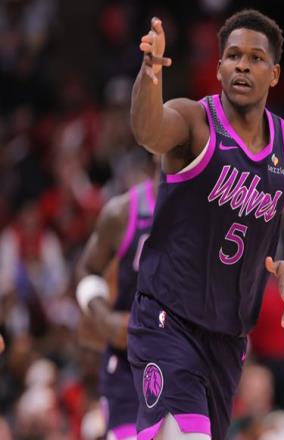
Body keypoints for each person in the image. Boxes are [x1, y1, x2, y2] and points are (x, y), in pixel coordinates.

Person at [129, 9, 284, 440]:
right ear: (219, 66)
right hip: (166, 318)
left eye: (256, 58)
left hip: (227, 339)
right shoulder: (193, 122)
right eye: (234, 56)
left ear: (274, 74)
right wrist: (150, 73)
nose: (243, 65)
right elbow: (148, 131)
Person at [76, 158, 158, 440]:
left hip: (186, 361)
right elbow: (86, 269)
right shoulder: (123, 211)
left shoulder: (211, 209)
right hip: (128, 361)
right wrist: (104, 318)